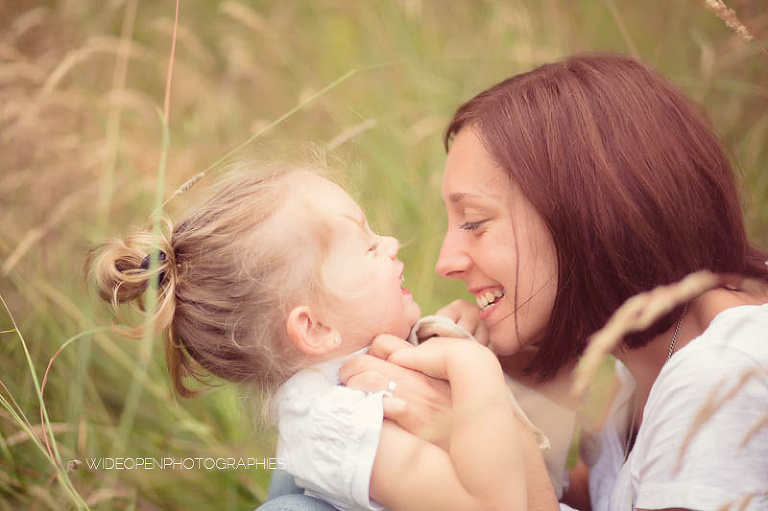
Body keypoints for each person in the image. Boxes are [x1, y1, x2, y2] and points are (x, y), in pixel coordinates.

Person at [328, 52, 768, 511]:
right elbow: (602, 498)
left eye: (475, 222)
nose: (446, 262)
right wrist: (526, 388)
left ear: (586, 214)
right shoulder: (651, 350)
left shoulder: (723, 376)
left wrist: (493, 425)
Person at [88, 165, 557, 511]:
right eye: (368, 245)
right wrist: (473, 367)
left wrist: (453, 337)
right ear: (315, 327)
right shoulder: (338, 423)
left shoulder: (358, 369)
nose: (391, 243)